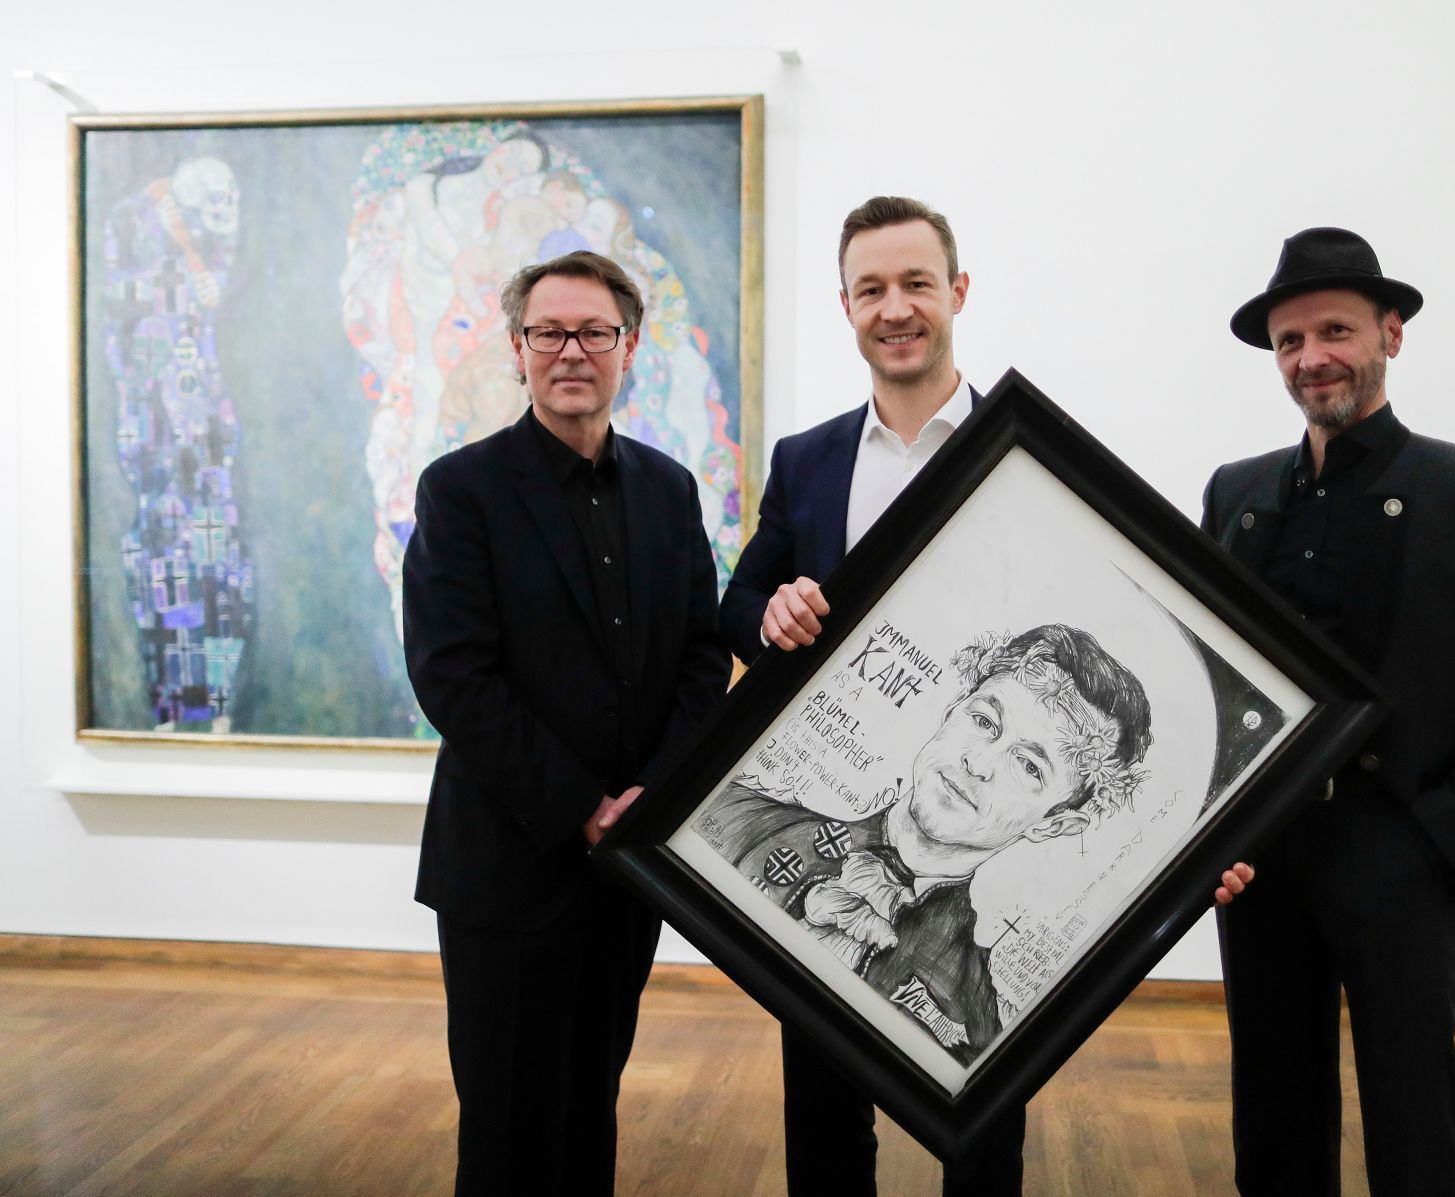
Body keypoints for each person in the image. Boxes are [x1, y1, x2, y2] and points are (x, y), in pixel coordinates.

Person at [721, 195, 1252, 1197]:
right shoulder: (809, 461)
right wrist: (769, 613)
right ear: (844, 306)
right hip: (809, 901)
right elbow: (740, 599)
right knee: (820, 1123)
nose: (895, 308)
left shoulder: (1031, 459)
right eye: (870, 288)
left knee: (983, 1145)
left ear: (956, 292)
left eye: (915, 283)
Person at [1202, 227, 1455, 1196]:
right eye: (1288, 341)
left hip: (1396, 854)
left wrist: (1432, 839)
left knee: (1413, 1131)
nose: (1310, 358)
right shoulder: (1235, 493)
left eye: (1333, 331)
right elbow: (1211, 687)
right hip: (1262, 857)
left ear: (1389, 336)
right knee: (1272, 1123)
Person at [403, 250, 730, 1196]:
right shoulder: (460, 490)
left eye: (594, 331)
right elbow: (454, 677)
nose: (571, 350)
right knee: (507, 1130)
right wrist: (584, 805)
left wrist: (651, 800)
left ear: (629, 347)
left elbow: (702, 656)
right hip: (508, 867)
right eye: (550, 332)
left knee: (591, 1106)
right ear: (517, 349)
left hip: (624, 871)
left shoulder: (669, 491)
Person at [700, 623, 1152, 1063]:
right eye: (984, 721)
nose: (978, 762)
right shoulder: (732, 814)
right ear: (953, 708)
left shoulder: (977, 1018)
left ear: (1054, 824)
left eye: (1030, 767)